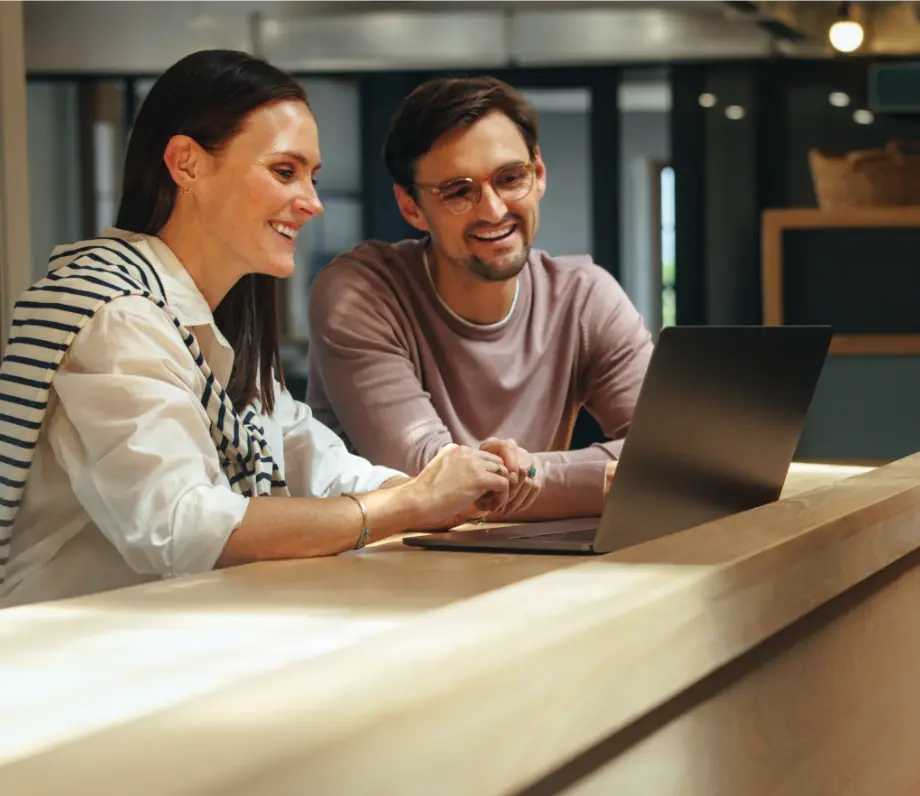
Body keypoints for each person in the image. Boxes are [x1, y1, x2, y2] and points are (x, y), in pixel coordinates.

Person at [0, 51, 512, 608]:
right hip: (70, 655)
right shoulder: (117, 315)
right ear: (187, 164)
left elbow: (313, 460)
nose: (312, 203)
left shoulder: (220, 319)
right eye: (284, 171)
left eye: (312, 178)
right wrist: (408, 506)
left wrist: (437, 491)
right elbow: (182, 526)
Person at [307, 76, 654, 522]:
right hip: (377, 573)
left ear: (539, 174)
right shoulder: (360, 294)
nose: (493, 210)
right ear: (411, 206)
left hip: (512, 563)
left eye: (510, 179)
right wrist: (606, 479)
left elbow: (668, 452)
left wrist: (533, 473)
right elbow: (433, 482)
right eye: (458, 192)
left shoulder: (583, 295)